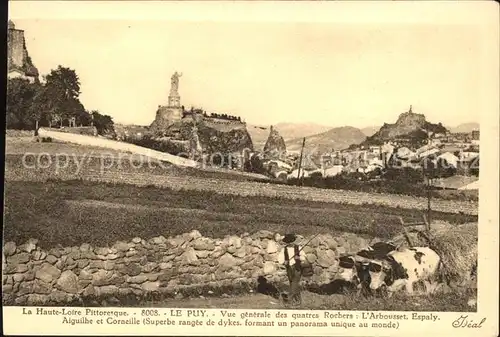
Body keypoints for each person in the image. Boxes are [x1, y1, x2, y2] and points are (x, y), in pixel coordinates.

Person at [281, 234, 303, 305]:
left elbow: (304, 257)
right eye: (288, 242)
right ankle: (298, 301)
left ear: (293, 241)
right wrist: (284, 262)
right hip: (289, 268)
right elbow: (280, 258)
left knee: (294, 282)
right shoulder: (284, 249)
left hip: (297, 267)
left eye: (291, 241)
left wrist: (299, 258)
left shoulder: (298, 248)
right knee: (292, 283)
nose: (290, 243)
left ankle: (288, 299)